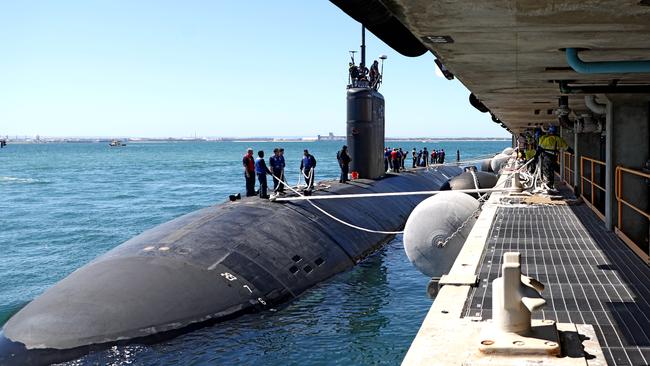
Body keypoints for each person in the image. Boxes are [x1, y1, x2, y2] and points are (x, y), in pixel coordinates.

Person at [537, 125, 573, 189]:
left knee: (547, 169)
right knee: (551, 170)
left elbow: (540, 148)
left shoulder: (546, 139)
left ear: (549, 131)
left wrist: (536, 155)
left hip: (547, 156)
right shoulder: (558, 139)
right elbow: (566, 147)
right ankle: (551, 183)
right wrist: (572, 152)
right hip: (554, 157)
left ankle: (548, 183)